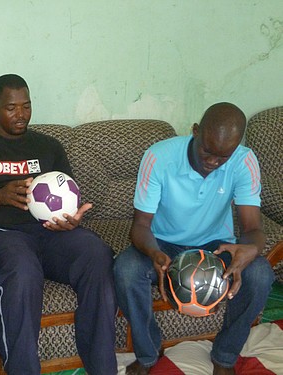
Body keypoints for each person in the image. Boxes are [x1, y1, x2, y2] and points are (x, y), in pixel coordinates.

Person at [0, 74, 117, 374]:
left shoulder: (49, 147)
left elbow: (69, 196)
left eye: (26, 106)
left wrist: (71, 221)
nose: (20, 114)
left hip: (49, 234)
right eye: (11, 107)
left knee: (96, 252)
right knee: (23, 270)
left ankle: (102, 368)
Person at [113, 102, 275, 375]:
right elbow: (140, 226)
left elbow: (252, 228)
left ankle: (224, 356)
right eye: (207, 151)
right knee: (126, 270)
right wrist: (154, 254)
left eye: (223, 157)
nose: (212, 162)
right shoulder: (159, 157)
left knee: (260, 275)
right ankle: (147, 354)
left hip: (215, 246)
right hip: (163, 243)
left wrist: (252, 249)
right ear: (196, 131)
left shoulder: (244, 160)